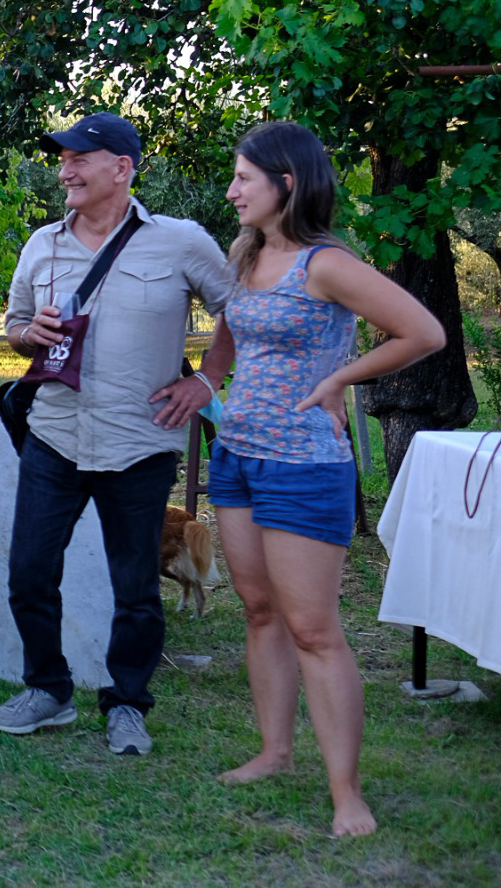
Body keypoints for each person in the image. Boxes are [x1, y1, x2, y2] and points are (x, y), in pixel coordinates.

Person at [203, 122, 442, 837]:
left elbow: (424, 333)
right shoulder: (246, 254)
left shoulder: (327, 263)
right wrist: (205, 382)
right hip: (237, 456)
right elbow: (231, 340)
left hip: (304, 464)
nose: (231, 190)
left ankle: (347, 795)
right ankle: (274, 753)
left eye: (243, 178)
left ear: (287, 183)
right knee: (259, 610)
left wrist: (340, 378)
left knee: (313, 629)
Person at [0, 113, 234, 757]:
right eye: (62, 159)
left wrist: (205, 381)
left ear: (122, 168)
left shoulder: (181, 241)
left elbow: (237, 310)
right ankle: (48, 690)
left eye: (78, 158)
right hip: (54, 435)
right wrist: (28, 334)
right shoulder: (42, 244)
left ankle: (127, 703)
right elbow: (14, 325)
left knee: (136, 588)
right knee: (28, 573)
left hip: (140, 440)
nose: (64, 170)